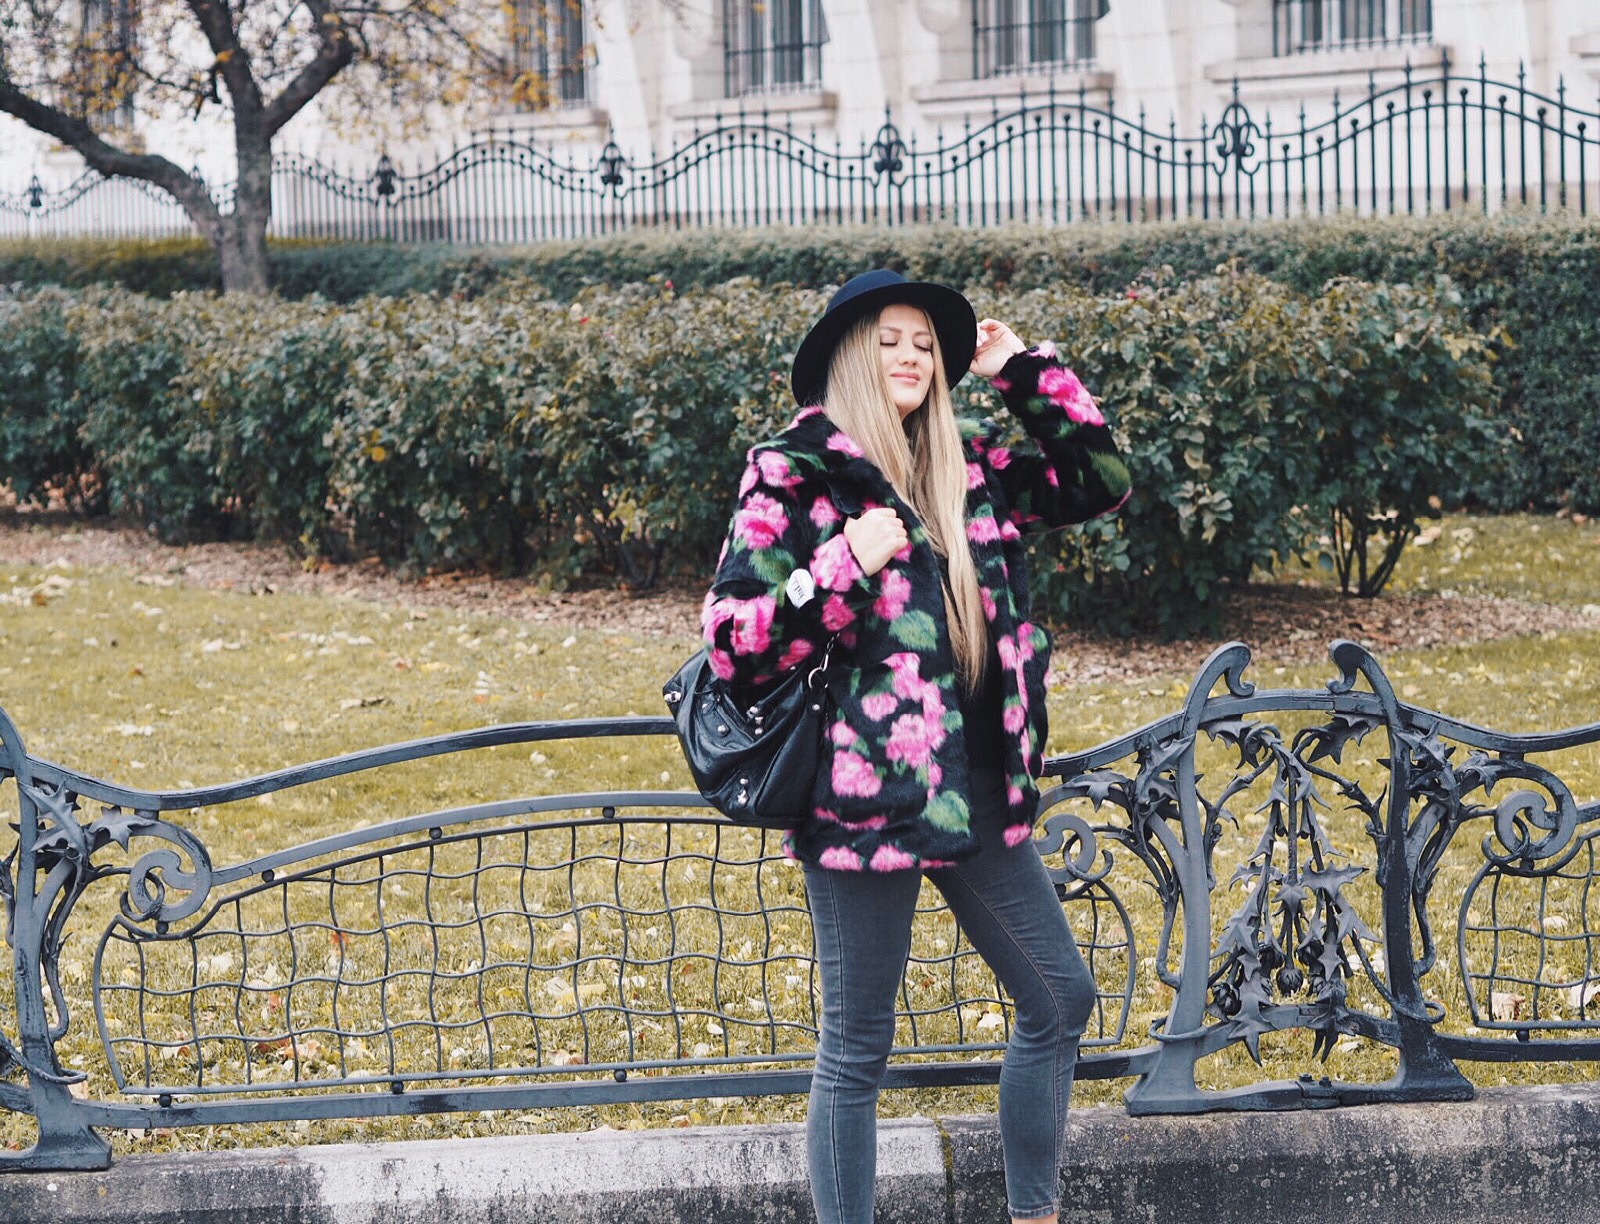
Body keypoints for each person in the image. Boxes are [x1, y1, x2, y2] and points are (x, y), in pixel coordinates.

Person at [700, 269, 1132, 1224]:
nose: (910, 356)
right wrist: (842, 564)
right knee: (857, 1047)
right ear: (852, 356)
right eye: (889, 340)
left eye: (925, 345)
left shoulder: (964, 468)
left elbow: (1099, 479)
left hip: (977, 788)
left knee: (1059, 998)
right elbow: (733, 639)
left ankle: (1035, 1214)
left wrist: (1019, 370)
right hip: (863, 802)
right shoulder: (794, 470)